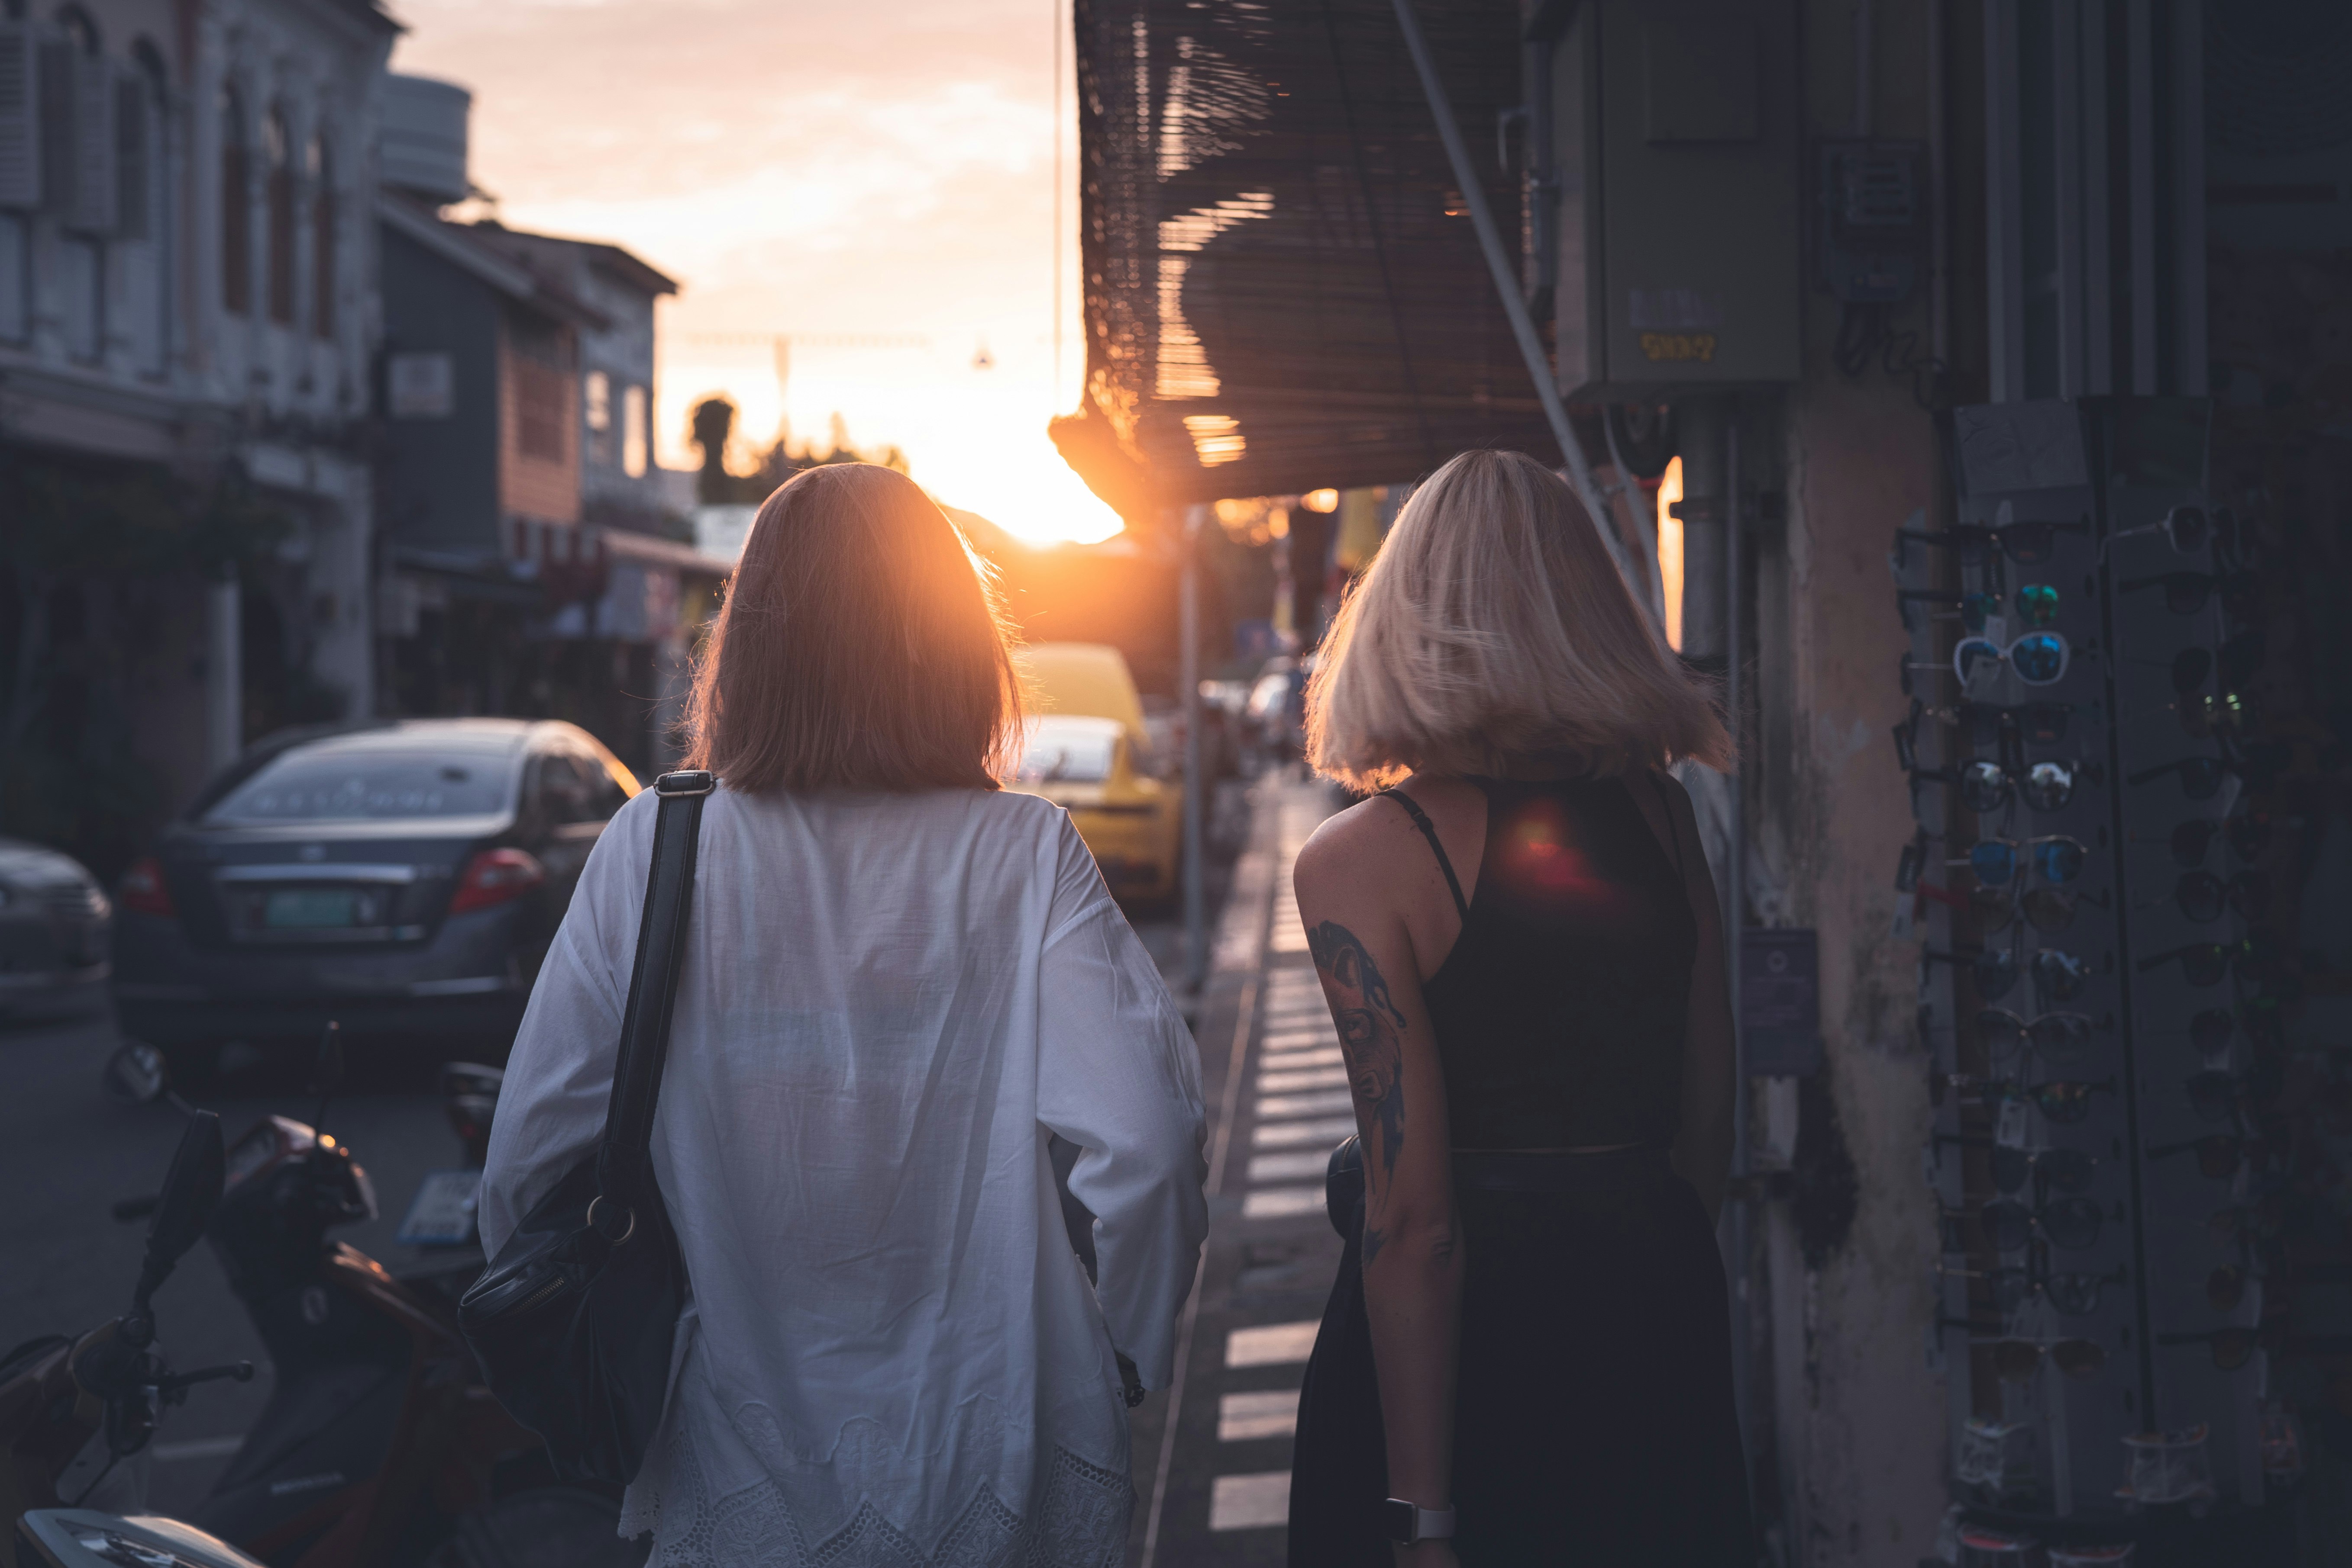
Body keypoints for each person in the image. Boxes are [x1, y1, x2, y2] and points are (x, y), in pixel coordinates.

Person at [478, 463, 1209, 1566]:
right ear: (953, 641)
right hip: (1003, 1446)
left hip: (740, 1459)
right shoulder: (1024, 853)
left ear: (753, 644)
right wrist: (1130, 1351)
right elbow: (1148, 1145)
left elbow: (531, 1159)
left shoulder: (656, 845)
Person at [1284, 449, 1753, 1565]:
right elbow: (1706, 1127)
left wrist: (1423, 1514)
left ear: (1403, 615)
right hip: (1651, 1323)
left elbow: (1417, 1224)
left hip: (1461, 1365)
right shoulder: (1662, 816)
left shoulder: (1367, 858)